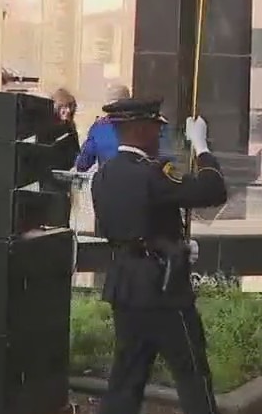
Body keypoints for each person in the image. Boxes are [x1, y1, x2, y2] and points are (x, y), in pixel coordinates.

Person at [91, 98, 227, 414]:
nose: (159, 135)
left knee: (126, 378)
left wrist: (174, 245)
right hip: (162, 289)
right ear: (140, 129)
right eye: (156, 128)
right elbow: (213, 189)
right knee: (191, 372)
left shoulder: (104, 175)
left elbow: (130, 228)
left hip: (125, 284)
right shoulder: (153, 174)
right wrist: (201, 146)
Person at [75, 84, 175, 170]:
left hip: (108, 182)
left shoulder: (98, 128)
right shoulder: (148, 125)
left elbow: (83, 164)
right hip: (147, 180)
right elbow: (167, 157)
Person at [38, 88, 80, 170]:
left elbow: (76, 151)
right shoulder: (45, 127)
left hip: (67, 171)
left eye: (69, 107)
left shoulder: (70, 127)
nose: (68, 110)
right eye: (64, 107)